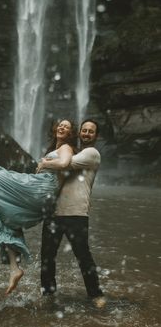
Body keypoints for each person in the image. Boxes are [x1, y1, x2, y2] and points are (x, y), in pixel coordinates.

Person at [0, 119, 78, 294]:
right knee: (7, 220)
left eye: (67, 126)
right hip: (44, 194)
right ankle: (15, 268)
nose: (62, 127)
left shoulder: (66, 148)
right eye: (61, 124)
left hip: (43, 189)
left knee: (0, 176)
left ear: (71, 134)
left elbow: (64, 163)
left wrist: (45, 164)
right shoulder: (54, 150)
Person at [40, 119, 106, 308]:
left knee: (83, 255)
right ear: (79, 133)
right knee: (47, 257)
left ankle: (96, 295)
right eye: (84, 130)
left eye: (90, 131)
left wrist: (45, 161)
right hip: (55, 212)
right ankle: (48, 295)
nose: (86, 133)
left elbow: (65, 164)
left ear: (96, 136)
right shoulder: (70, 151)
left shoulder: (92, 154)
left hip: (76, 212)